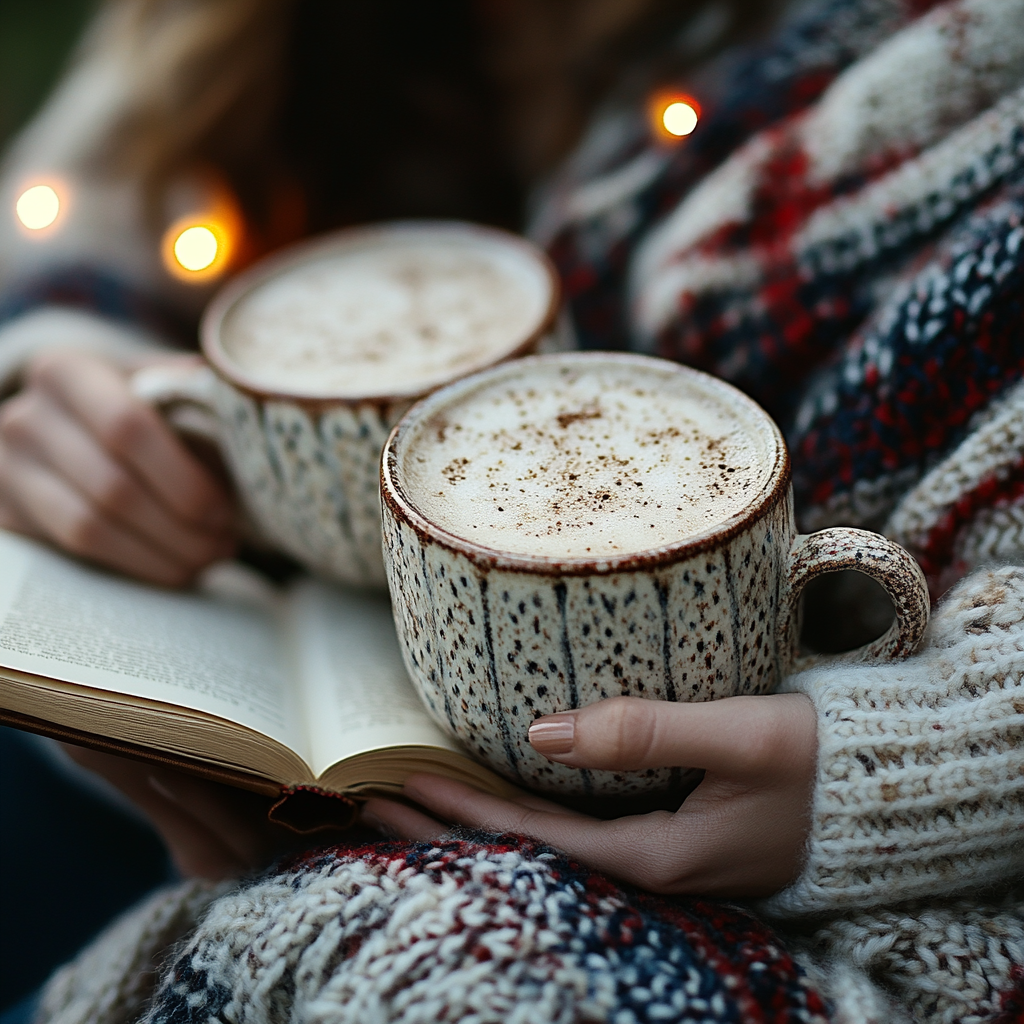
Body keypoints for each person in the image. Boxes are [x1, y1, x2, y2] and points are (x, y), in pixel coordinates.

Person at [0, 0, 1021, 1021]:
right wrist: (58, 361)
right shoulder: (218, 29)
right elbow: (84, 184)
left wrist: (906, 762)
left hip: (674, 836)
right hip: (192, 719)